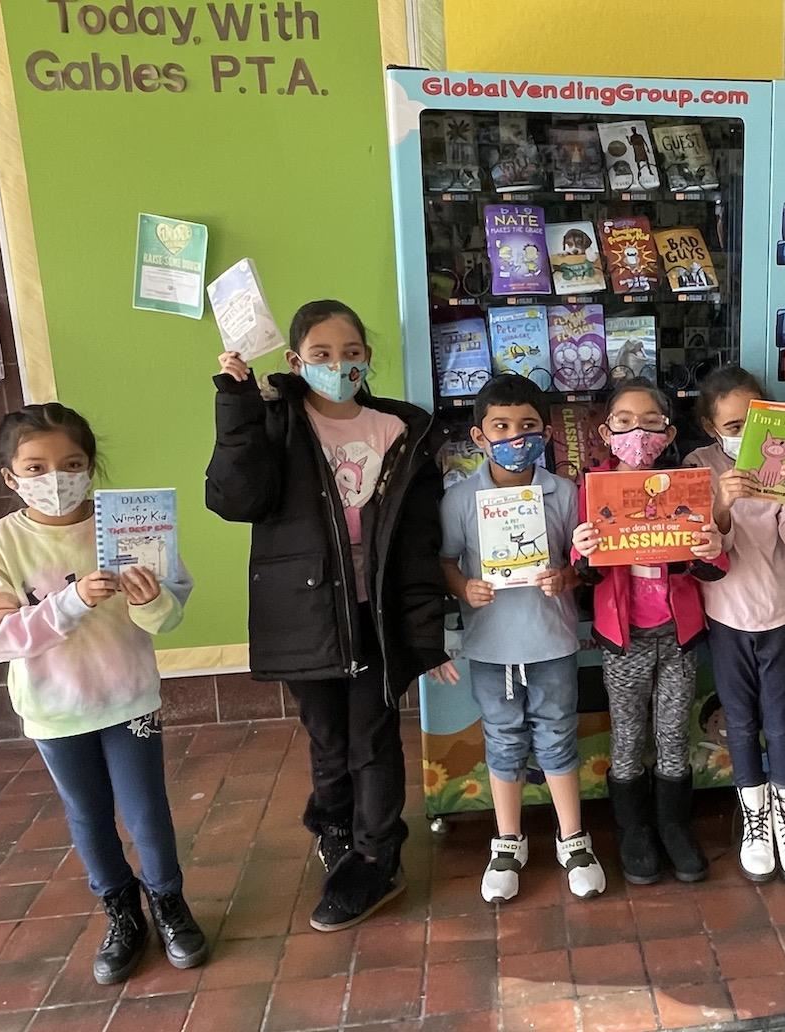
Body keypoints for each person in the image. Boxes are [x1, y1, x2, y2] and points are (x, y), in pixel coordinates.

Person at [205, 300, 447, 932]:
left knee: (372, 737)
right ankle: (335, 827)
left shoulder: (400, 430)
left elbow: (418, 541)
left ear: (367, 357)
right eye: (321, 355)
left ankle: (376, 855)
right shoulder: (277, 422)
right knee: (327, 736)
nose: (338, 366)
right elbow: (235, 499)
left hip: (376, 615)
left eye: (350, 354)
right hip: (306, 612)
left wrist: (426, 631)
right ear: (294, 361)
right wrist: (236, 407)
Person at [0, 404, 207, 984]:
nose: (56, 478)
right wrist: (69, 603)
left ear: (91, 468)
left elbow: (166, 620)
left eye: (71, 463)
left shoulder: (129, 524)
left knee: (147, 810)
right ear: (10, 476)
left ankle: (168, 902)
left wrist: (148, 599)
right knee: (89, 815)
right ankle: (121, 911)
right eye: (37, 466)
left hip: (129, 699)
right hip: (55, 710)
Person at [434, 374, 606, 903]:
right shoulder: (461, 499)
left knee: (557, 733)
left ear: (546, 432)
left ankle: (572, 837)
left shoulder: (564, 493)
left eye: (528, 425)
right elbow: (444, 560)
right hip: (489, 644)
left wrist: (566, 577)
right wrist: (464, 586)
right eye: (502, 427)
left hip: (551, 640)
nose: (516, 436)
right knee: (503, 737)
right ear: (479, 437)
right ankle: (507, 840)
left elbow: (583, 559)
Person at [572, 380, 727, 885]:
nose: (637, 431)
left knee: (672, 732)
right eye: (623, 421)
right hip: (625, 639)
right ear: (605, 431)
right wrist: (584, 550)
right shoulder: (594, 490)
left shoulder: (685, 485)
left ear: (668, 430)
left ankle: (673, 824)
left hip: (677, 633)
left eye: (650, 421)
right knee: (629, 734)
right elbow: (580, 564)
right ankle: (633, 830)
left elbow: (714, 559)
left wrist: (709, 547)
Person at [685, 366, 785, 884]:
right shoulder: (700, 466)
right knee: (740, 721)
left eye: (754, 420)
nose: (745, 434)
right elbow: (708, 551)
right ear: (710, 427)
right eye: (734, 425)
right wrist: (723, 500)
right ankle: (755, 820)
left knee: (780, 719)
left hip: (780, 610)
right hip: (725, 614)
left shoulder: (784, 460)